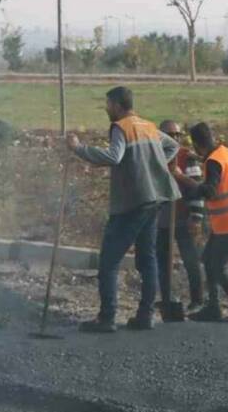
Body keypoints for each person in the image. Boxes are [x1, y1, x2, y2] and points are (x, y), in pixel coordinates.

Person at [67, 87, 179, 333]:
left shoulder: (120, 127)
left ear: (118, 105)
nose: (106, 108)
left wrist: (78, 149)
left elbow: (114, 156)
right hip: (154, 200)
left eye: (108, 104)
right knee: (147, 259)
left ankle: (107, 318)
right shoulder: (148, 126)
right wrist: (153, 167)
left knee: (109, 261)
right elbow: (172, 147)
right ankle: (145, 315)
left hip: (132, 203)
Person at [174, 123, 228, 323]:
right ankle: (213, 307)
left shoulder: (213, 162)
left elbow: (210, 191)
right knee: (208, 260)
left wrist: (182, 178)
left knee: (216, 266)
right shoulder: (225, 153)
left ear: (197, 144)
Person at [155, 120, 205, 321]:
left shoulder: (187, 157)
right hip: (163, 217)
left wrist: (196, 217)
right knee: (162, 261)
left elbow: (197, 188)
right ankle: (167, 297)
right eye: (169, 134)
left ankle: (197, 299)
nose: (174, 138)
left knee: (191, 260)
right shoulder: (156, 157)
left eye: (177, 135)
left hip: (184, 216)